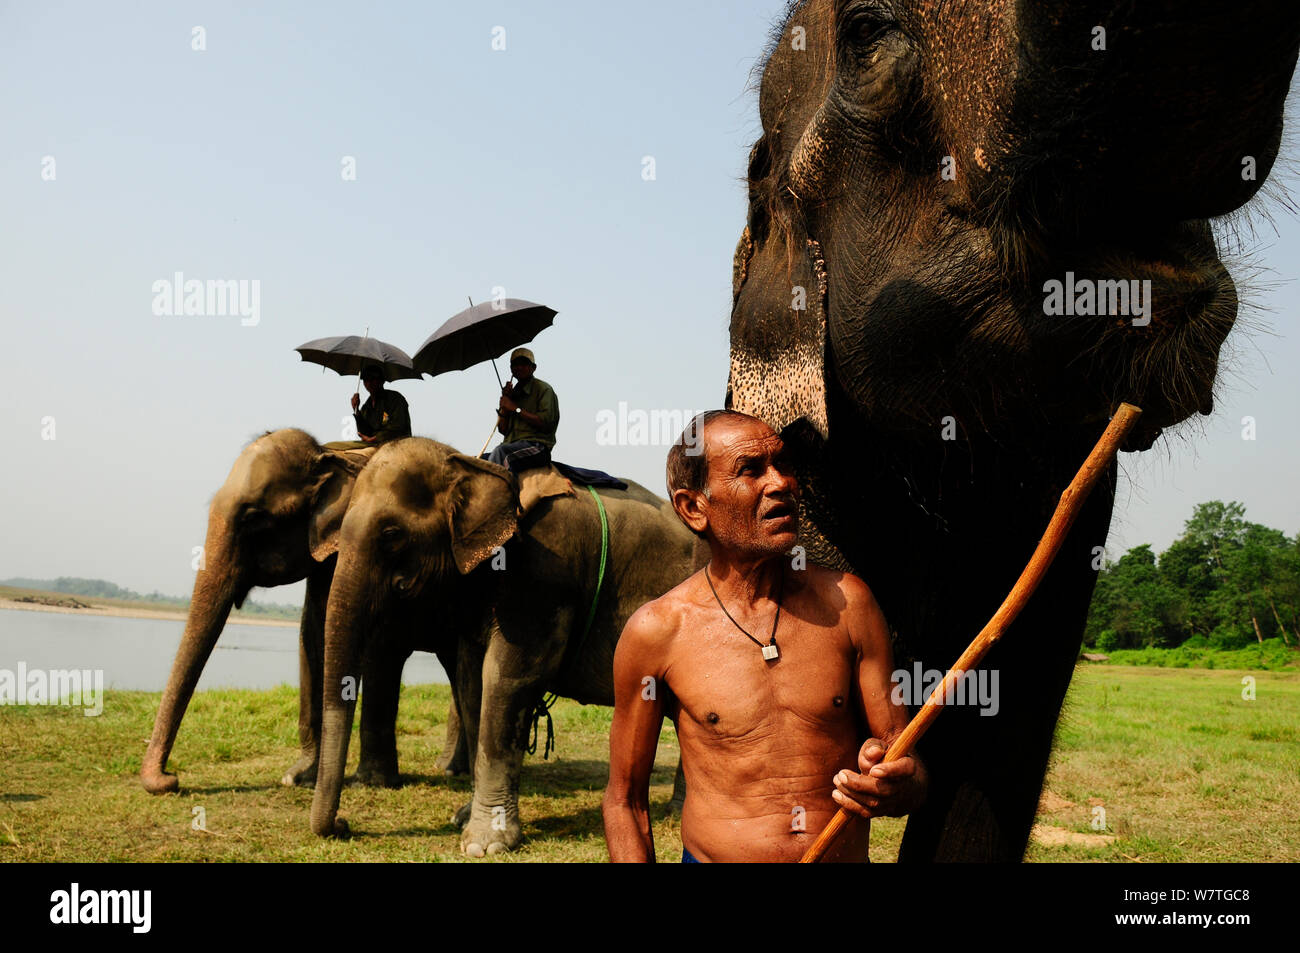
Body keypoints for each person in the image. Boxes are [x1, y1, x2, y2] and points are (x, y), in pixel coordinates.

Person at [602, 410, 927, 863]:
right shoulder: (658, 632)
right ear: (694, 508)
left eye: (784, 464)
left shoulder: (849, 605)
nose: (782, 484)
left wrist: (895, 784)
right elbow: (625, 801)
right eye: (750, 470)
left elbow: (906, 767)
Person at [485, 347, 559, 473]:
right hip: (511, 445)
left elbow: (546, 423)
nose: (519, 367)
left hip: (537, 447)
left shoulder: (543, 389)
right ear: (511, 369)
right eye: (515, 364)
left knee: (501, 452)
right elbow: (503, 430)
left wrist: (515, 409)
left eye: (524, 364)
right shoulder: (513, 394)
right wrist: (505, 405)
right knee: (475, 461)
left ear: (533, 368)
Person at [349, 365, 411, 446]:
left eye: (373, 379)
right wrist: (356, 410)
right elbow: (364, 432)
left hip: (398, 446)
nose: (369, 383)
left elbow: (398, 427)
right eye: (366, 379)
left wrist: (376, 438)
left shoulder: (395, 399)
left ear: (382, 380)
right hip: (374, 447)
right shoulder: (367, 406)